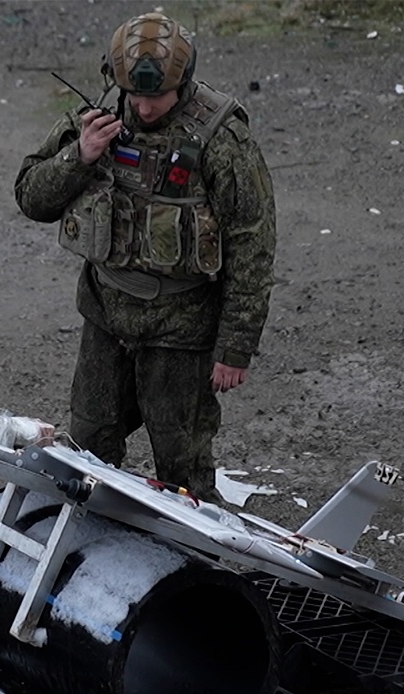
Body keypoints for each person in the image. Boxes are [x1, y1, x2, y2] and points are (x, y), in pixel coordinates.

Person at [14, 12, 276, 502]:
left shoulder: (221, 140)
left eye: (157, 96)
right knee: (87, 448)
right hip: (106, 319)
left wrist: (235, 347)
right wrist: (80, 156)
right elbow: (31, 197)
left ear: (184, 81)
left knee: (182, 468)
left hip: (181, 331)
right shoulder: (97, 121)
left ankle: (196, 550)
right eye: (134, 95)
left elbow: (252, 244)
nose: (144, 107)